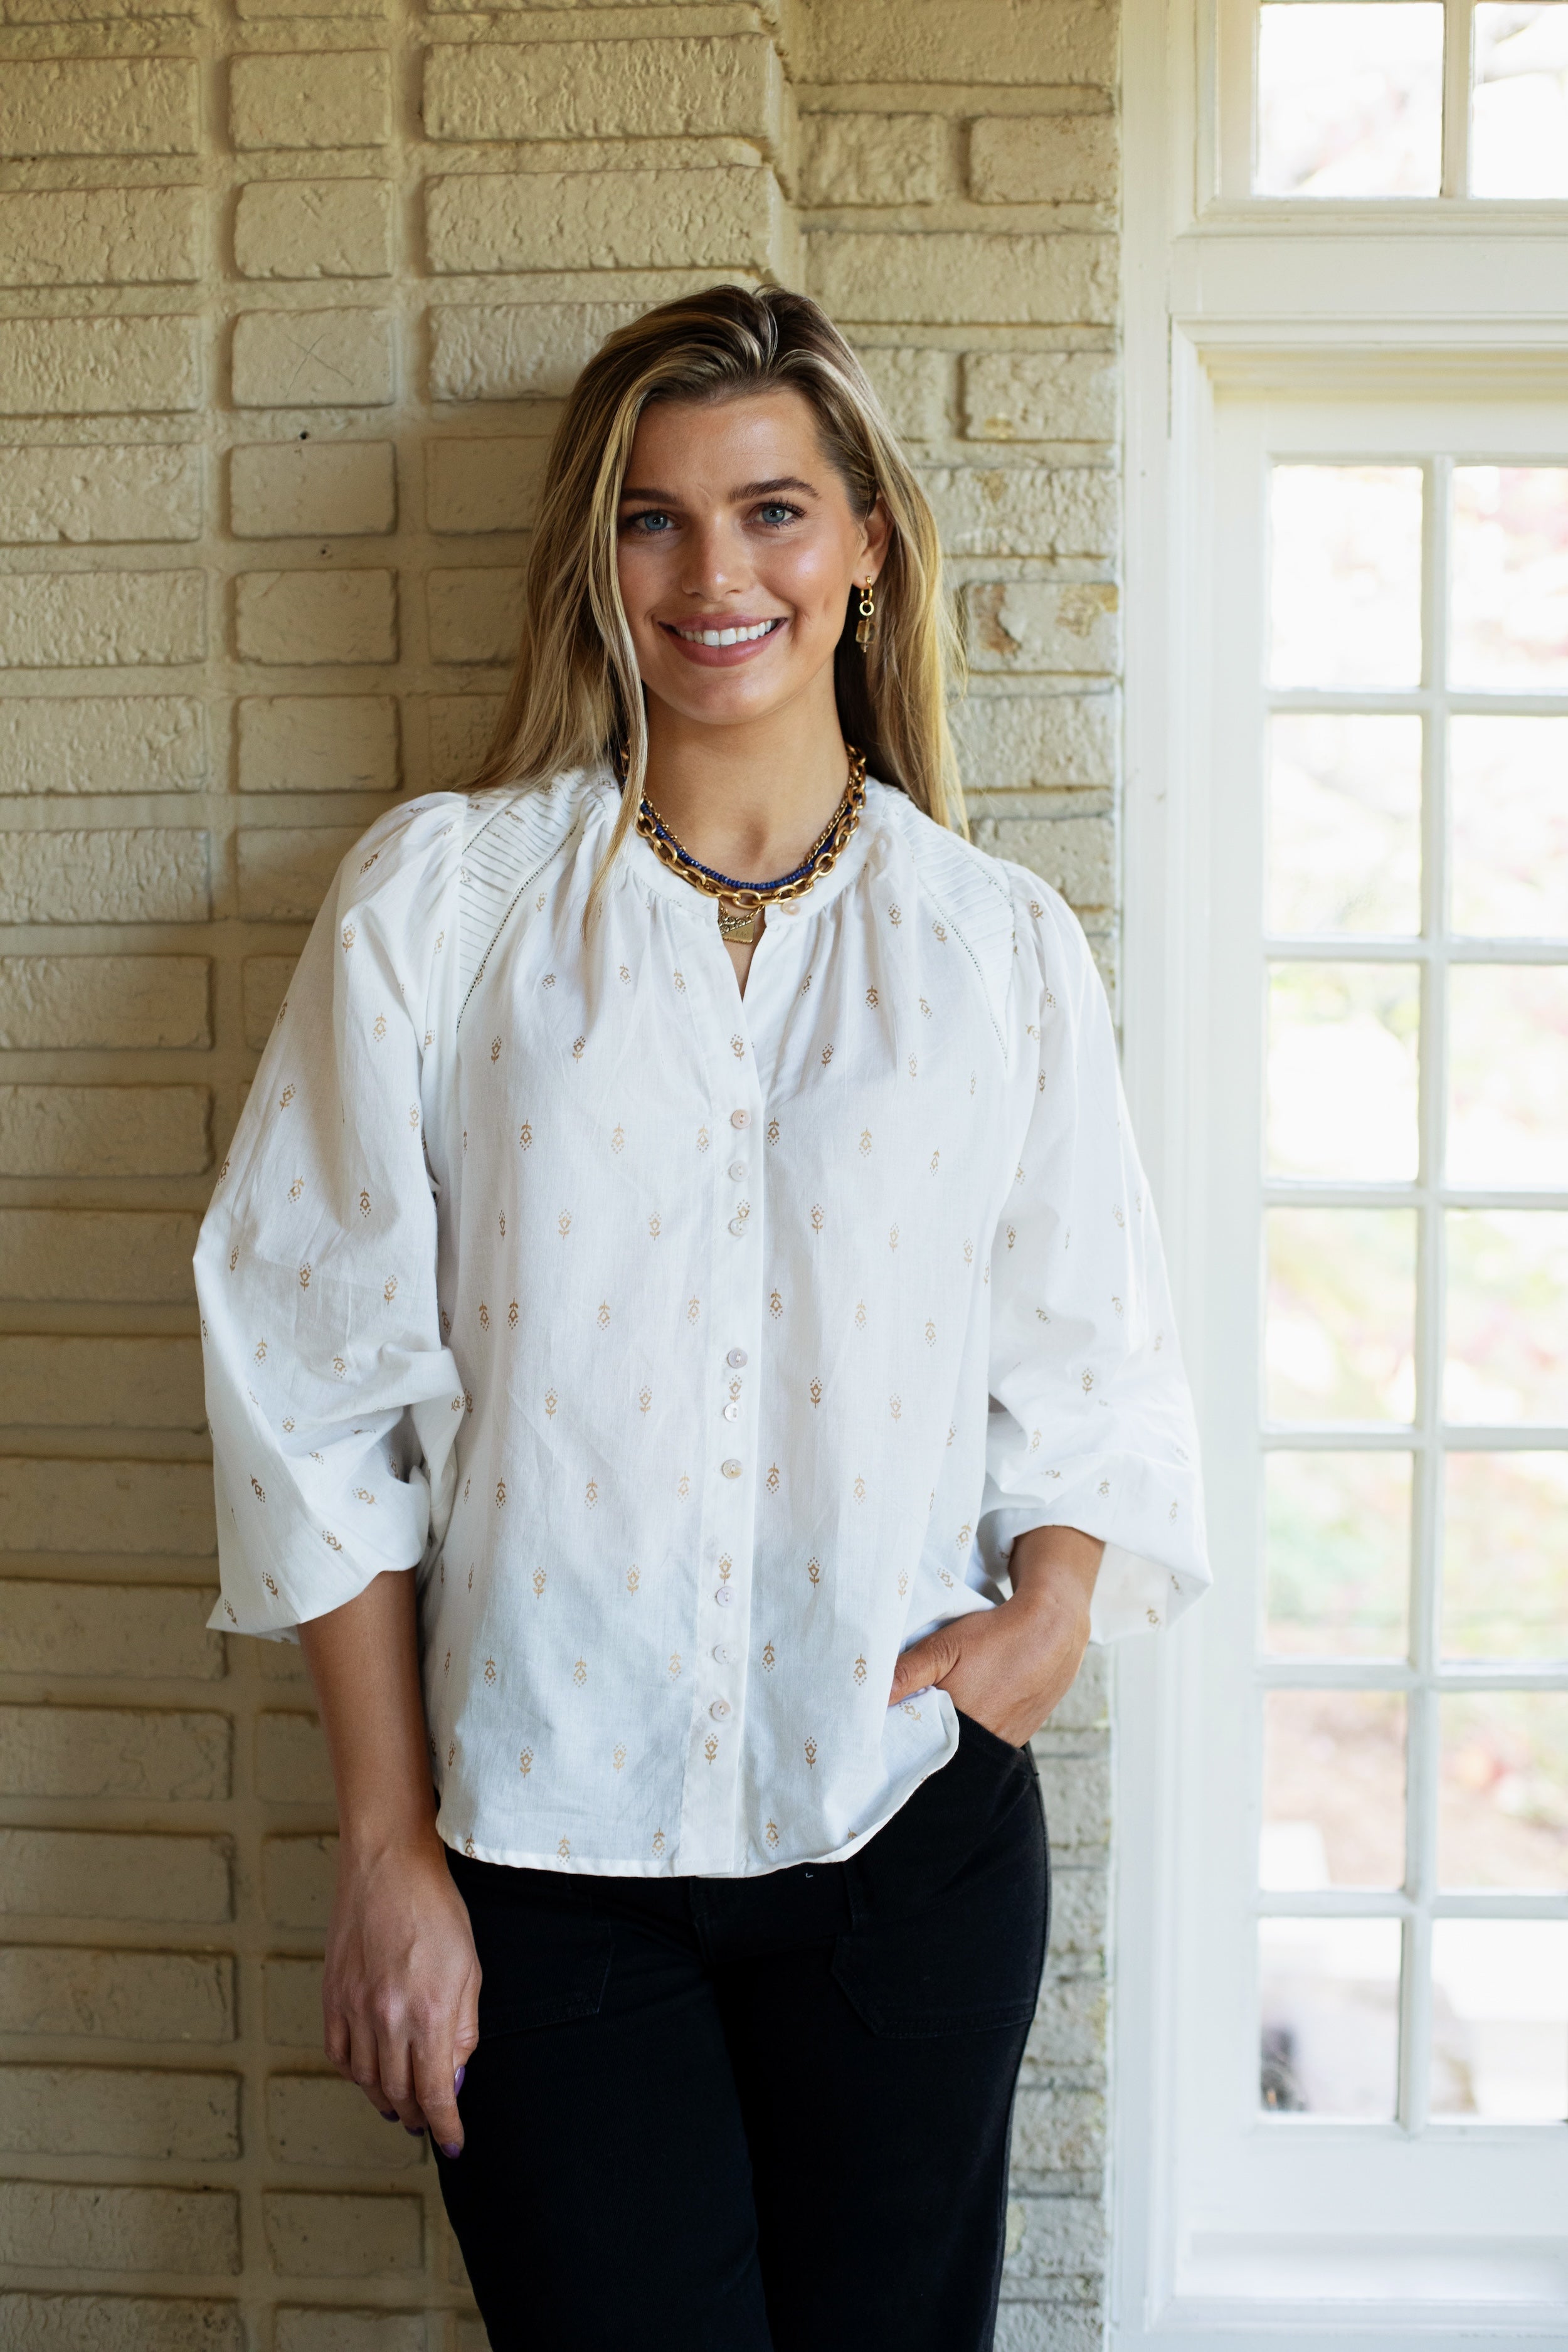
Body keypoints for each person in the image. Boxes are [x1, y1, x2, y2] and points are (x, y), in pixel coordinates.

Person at [196, 284, 1209, 2352]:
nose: (712, 573)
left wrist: (1047, 1616)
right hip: (541, 1859)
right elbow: (308, 1382)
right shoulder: (445, 908)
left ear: (866, 547)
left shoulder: (995, 944)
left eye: (770, 511)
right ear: (598, 558)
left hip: (903, 1834)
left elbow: (1089, 1346)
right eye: (651, 519)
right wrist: (385, 1850)